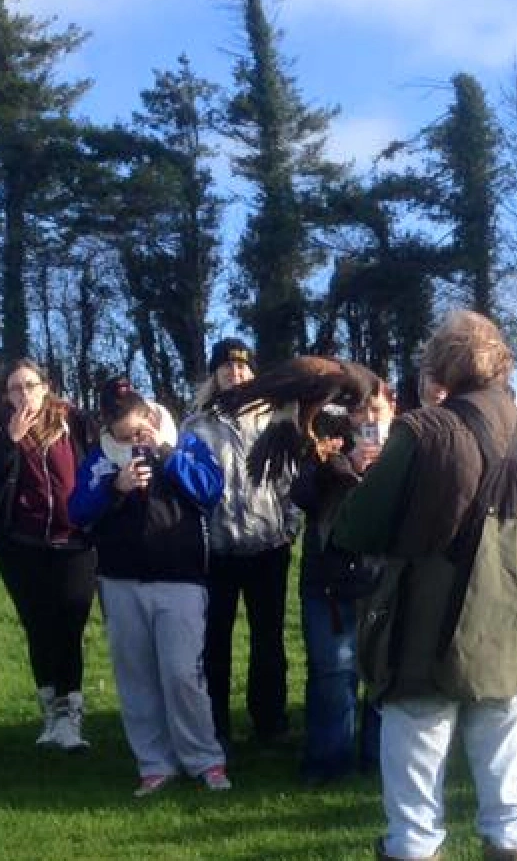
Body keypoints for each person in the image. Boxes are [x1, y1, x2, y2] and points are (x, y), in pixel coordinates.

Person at [333, 310, 517, 861]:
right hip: (510, 629)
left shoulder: (423, 432)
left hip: (424, 633)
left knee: (414, 814)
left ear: (440, 368)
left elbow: (356, 527)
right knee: (510, 804)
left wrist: (346, 474)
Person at [69, 386, 229, 795]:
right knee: (136, 675)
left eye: (137, 432)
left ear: (150, 419)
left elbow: (210, 491)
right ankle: (154, 763)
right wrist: (114, 488)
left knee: (182, 674)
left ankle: (205, 760)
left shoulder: (185, 444)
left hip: (181, 578)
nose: (131, 442)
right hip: (120, 581)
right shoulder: (101, 458)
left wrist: (167, 456)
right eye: (123, 436)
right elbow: (76, 511)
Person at [181, 338, 301, 747]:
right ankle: (215, 727)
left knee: (269, 639)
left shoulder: (273, 418)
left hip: (268, 545)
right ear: (215, 373)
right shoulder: (195, 424)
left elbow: (288, 479)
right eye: (228, 367)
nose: (237, 373)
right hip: (216, 549)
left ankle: (270, 722)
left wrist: (290, 527)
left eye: (244, 367)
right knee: (214, 641)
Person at [0, 359, 97, 752]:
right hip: (22, 546)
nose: (24, 394)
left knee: (70, 625)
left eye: (30, 385)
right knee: (38, 627)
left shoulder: (75, 422)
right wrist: (11, 440)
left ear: (46, 387)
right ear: (6, 396)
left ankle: (71, 716)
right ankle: (50, 713)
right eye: (15, 388)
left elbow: (99, 464)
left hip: (74, 541)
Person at [291, 380, 392, 784]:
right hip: (331, 584)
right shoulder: (327, 447)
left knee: (383, 678)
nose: (368, 418)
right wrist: (347, 465)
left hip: (385, 582)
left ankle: (379, 761)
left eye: (376, 410)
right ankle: (328, 765)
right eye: (360, 411)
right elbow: (301, 495)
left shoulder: (405, 448)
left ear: (391, 410)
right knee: (334, 673)